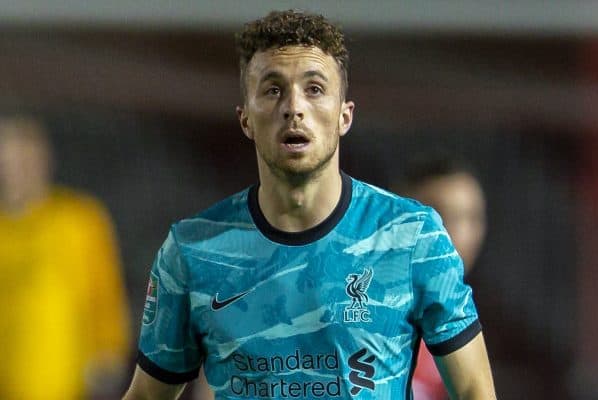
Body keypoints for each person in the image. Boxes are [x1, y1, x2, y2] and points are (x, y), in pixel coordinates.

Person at [123, 10, 496, 400]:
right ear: (245, 119)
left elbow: (475, 390)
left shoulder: (413, 237)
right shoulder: (192, 250)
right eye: (272, 90)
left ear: (344, 116)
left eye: (314, 89)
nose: (294, 108)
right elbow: (147, 395)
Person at [0, 115, 131, 399]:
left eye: (26, 160)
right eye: (10, 161)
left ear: (45, 160)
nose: (18, 171)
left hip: (71, 386)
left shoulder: (79, 219)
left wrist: (109, 353)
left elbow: (105, 291)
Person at [391, 154, 487, 400]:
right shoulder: (372, 315)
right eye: (440, 216)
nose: (457, 232)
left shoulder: (463, 321)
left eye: (470, 217)